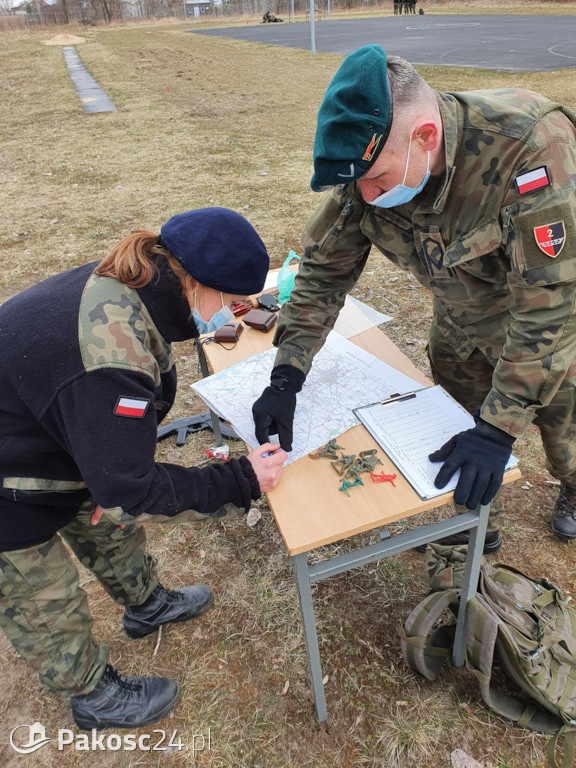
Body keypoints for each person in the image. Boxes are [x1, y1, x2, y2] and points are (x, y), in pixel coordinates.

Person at [252, 44, 576, 550]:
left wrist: (499, 429)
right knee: (453, 418)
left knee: (565, 427)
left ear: (426, 136)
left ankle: (574, 486)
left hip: (550, 320)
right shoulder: (373, 165)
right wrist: (287, 374)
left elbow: (551, 306)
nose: (367, 197)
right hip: (460, 315)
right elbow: (322, 273)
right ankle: (472, 517)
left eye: (376, 180)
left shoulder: (531, 147)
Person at [0, 207, 287, 730]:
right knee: (44, 596)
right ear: (195, 283)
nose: (240, 314)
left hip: (51, 430)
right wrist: (242, 480)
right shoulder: (111, 350)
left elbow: (112, 462)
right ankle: (91, 695)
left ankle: (145, 604)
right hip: (10, 474)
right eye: (233, 302)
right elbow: (130, 487)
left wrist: (103, 472)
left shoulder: (139, 284)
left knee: (109, 529)